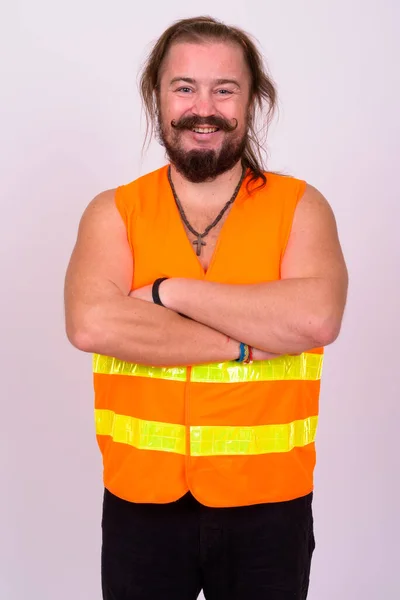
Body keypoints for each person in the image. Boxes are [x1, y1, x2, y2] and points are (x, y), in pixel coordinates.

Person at [64, 15, 348, 600]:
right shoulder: (114, 212)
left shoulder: (301, 207)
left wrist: (172, 292)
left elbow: (315, 318)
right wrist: (248, 339)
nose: (204, 107)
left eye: (225, 89)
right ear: (157, 96)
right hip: (140, 503)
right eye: (184, 87)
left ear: (253, 102)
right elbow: (92, 323)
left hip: (270, 504)